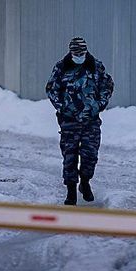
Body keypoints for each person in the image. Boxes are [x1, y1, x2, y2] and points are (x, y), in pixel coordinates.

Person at [45, 36, 114, 206]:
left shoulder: (95, 66)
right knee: (70, 156)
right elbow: (51, 89)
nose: (79, 55)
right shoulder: (62, 67)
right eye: (75, 52)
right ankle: (70, 191)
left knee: (90, 155)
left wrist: (99, 105)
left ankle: (85, 182)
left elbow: (107, 85)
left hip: (90, 120)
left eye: (81, 52)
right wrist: (63, 107)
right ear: (70, 52)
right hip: (69, 121)